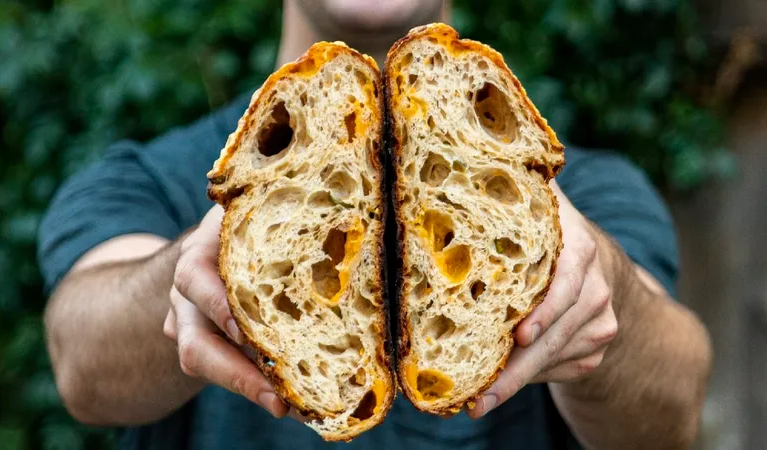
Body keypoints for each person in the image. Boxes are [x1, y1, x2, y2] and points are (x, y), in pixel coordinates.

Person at [38, 1, 712, 449]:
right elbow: (81, 356)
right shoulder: (149, 178)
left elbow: (674, 407)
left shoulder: (588, 189)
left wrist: (605, 293)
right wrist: (210, 272)